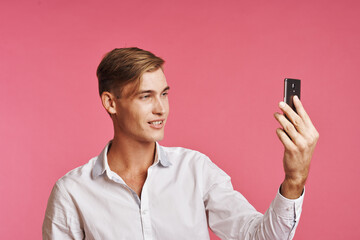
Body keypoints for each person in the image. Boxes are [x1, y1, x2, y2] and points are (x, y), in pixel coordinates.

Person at [42, 47, 319, 240]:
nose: (161, 109)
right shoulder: (72, 192)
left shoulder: (196, 170)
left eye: (164, 94)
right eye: (145, 96)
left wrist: (295, 178)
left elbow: (257, 237)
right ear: (110, 103)